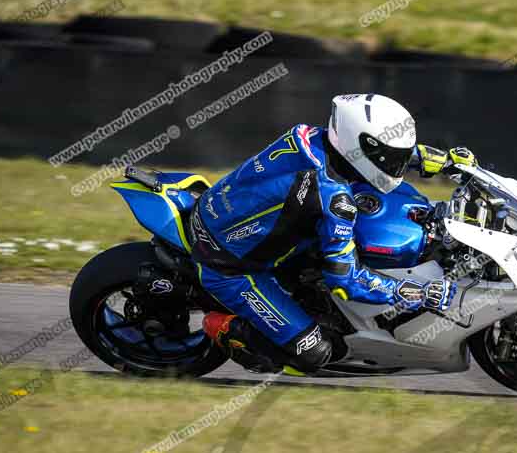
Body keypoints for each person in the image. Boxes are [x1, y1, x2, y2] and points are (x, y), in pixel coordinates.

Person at [190, 93, 475, 374]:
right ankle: (226, 328)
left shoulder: (311, 136)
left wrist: (431, 159)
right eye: (393, 159)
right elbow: (346, 280)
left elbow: (375, 154)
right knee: (315, 352)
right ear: (359, 142)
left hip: (224, 211)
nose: (396, 166)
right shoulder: (333, 199)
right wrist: (415, 292)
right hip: (230, 267)